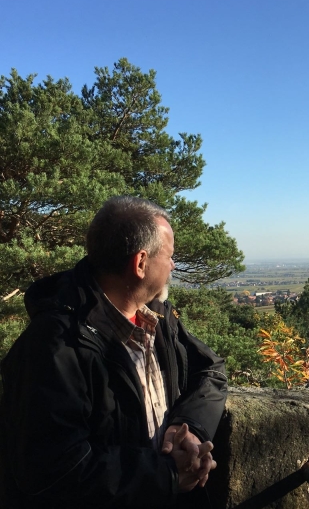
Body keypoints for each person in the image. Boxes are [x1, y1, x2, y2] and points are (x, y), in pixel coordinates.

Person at [0, 196, 228, 508]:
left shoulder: (159, 319)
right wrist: (167, 474)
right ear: (140, 263)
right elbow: (53, 470)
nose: (173, 265)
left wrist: (188, 427)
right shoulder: (55, 346)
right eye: (170, 256)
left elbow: (211, 370)